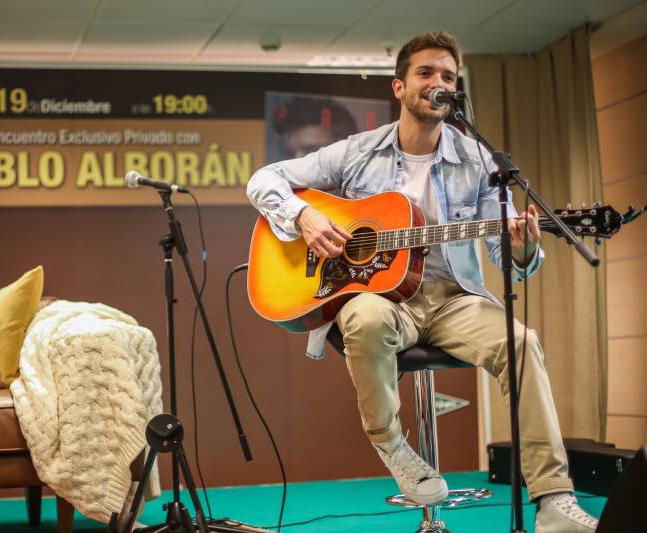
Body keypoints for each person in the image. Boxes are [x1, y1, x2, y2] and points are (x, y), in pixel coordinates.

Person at [247, 31, 598, 533]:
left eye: (449, 77)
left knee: (522, 342)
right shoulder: (356, 152)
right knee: (364, 317)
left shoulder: (478, 161)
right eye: (426, 73)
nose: (439, 83)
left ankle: (552, 499)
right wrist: (303, 217)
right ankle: (394, 445)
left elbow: (505, 255)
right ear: (400, 87)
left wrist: (523, 248)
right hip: (381, 299)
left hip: (454, 298)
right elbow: (263, 179)